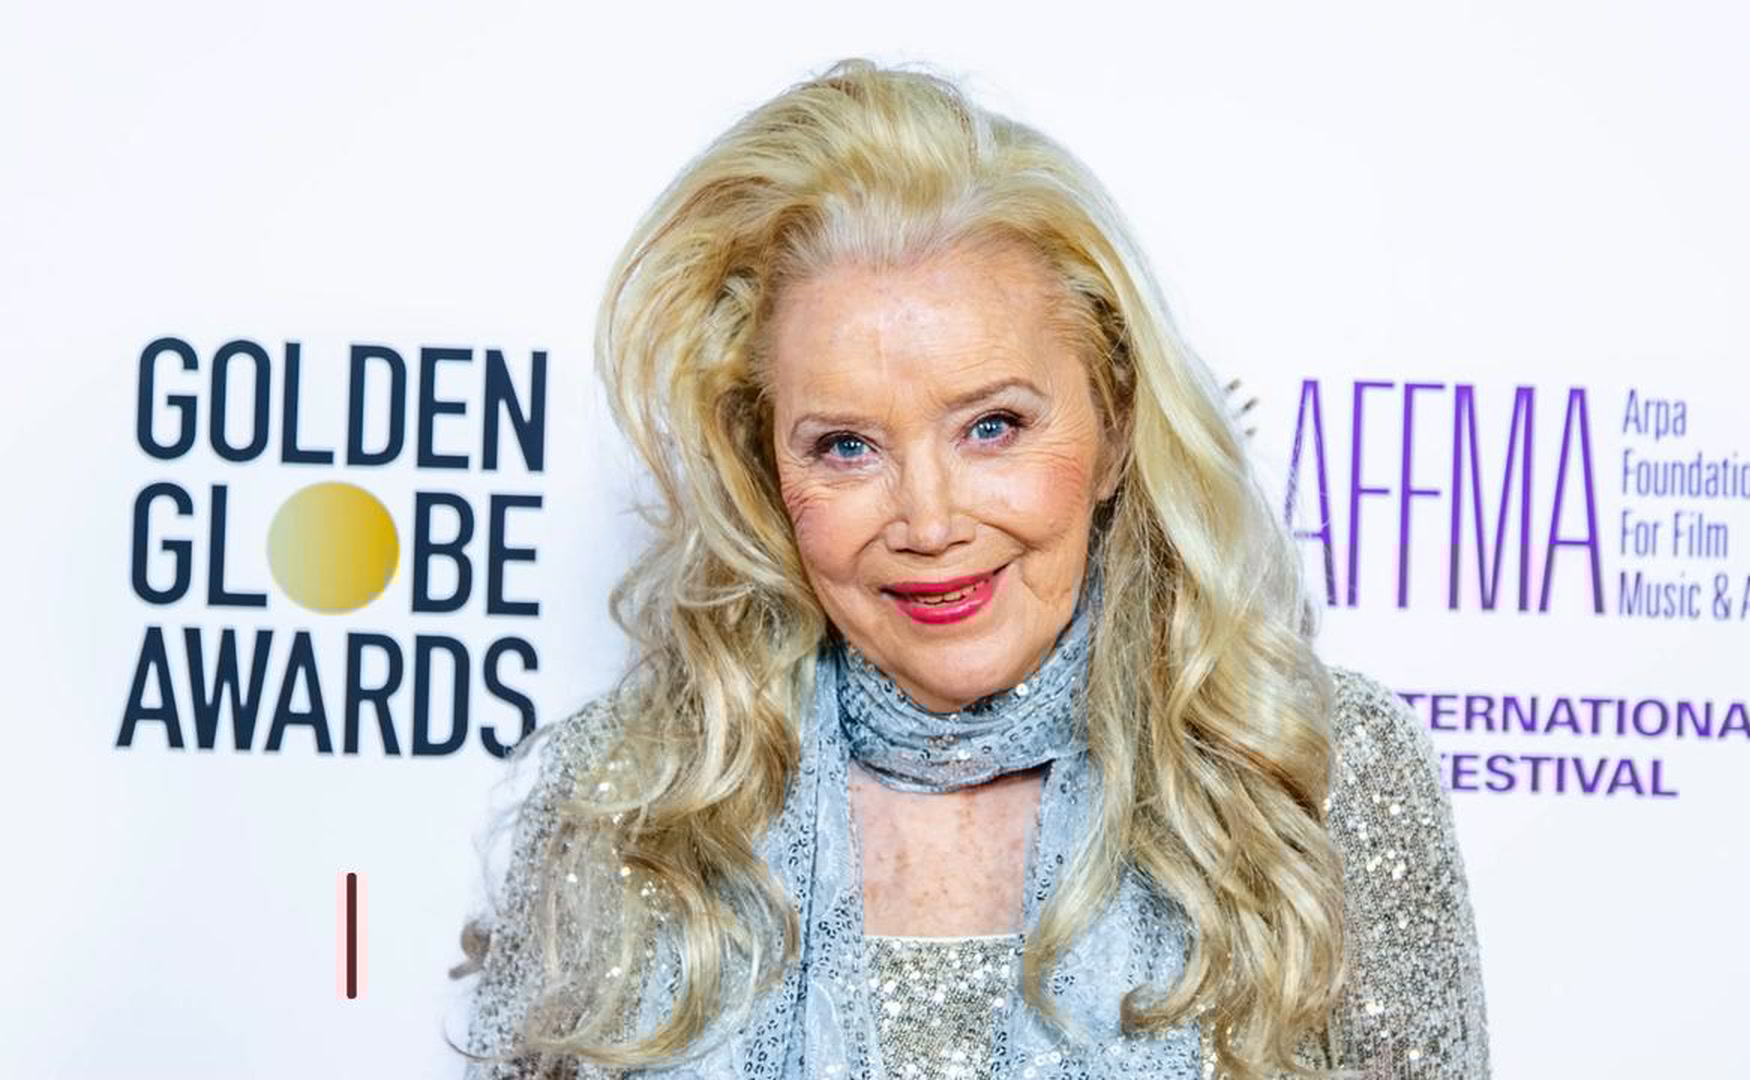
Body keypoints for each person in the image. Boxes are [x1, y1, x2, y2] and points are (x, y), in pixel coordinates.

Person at [449, 57, 1488, 1080]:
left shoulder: (1312, 777)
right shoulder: (630, 797)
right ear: (765, 468)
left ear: (1117, 428)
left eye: (992, 427)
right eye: (846, 447)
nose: (930, 522)